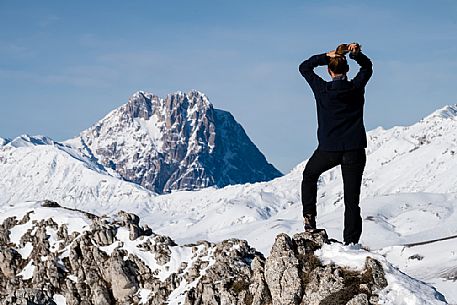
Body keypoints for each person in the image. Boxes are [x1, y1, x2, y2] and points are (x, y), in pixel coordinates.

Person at [298, 43, 372, 245]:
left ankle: (309, 219)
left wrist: (325, 55)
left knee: (309, 176)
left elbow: (304, 67)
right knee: (351, 200)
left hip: (328, 149)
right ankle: (351, 243)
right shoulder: (356, 87)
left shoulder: (322, 90)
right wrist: (357, 55)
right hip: (354, 149)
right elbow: (367, 68)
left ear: (329, 71)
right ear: (346, 70)